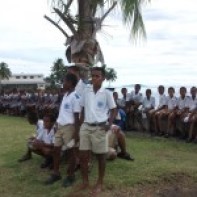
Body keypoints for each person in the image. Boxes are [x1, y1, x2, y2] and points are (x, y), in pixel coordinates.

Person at [78, 67, 116, 195]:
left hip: (100, 127)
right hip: (86, 127)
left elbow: (114, 110)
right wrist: (81, 124)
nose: (94, 78)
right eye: (92, 76)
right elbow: (82, 108)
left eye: (97, 76)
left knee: (101, 157)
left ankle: (99, 183)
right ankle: (85, 182)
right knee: (83, 156)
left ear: (103, 78)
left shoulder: (107, 93)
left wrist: (108, 125)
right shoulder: (86, 91)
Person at [45, 73, 81, 187]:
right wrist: (56, 123)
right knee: (56, 151)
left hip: (69, 128)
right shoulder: (65, 95)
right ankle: (56, 173)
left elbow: (77, 117)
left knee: (71, 153)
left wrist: (76, 133)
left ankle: (71, 176)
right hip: (60, 127)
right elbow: (63, 113)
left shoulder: (76, 97)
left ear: (70, 83)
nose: (63, 83)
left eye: (64, 81)